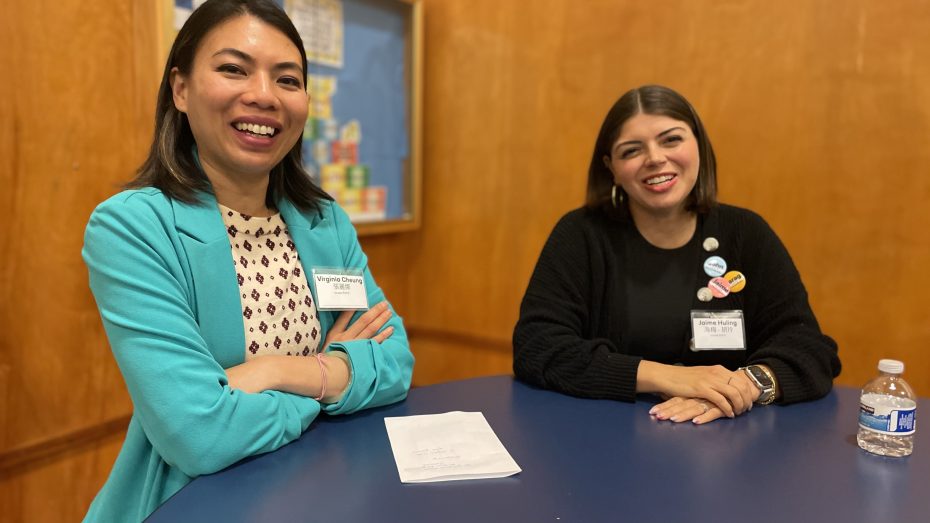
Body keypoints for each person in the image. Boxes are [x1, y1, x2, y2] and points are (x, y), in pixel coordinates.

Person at [81, 1, 413, 520]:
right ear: (181, 89)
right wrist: (331, 373)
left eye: (288, 79)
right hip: (194, 503)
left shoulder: (324, 222)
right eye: (233, 69)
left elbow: (395, 363)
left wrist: (274, 370)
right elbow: (200, 435)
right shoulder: (132, 228)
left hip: (325, 492)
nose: (263, 95)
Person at [513, 85, 840, 425]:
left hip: (725, 446)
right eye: (631, 150)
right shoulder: (581, 234)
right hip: (602, 440)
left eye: (671, 140)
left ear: (698, 144)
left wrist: (742, 386)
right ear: (611, 167)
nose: (654, 158)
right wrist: (668, 376)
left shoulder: (746, 233)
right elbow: (538, 347)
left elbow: (810, 349)